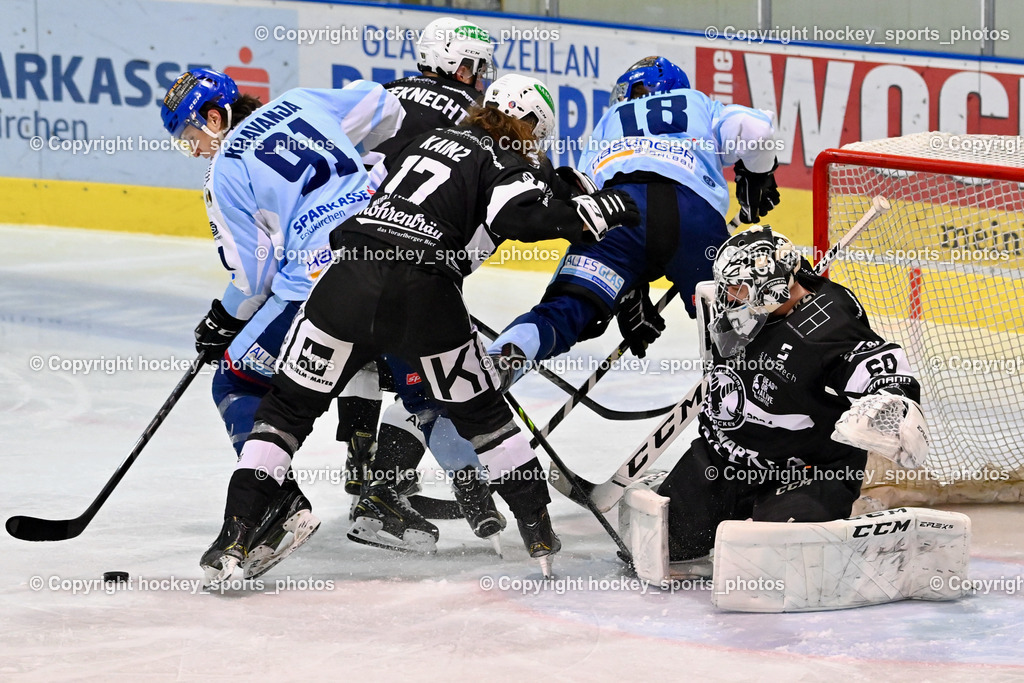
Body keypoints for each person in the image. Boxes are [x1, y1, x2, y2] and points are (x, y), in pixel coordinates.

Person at [199, 73, 641, 583]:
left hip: (345, 280)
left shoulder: (420, 139)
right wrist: (595, 214)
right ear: (528, 125)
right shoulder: (504, 160)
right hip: (424, 296)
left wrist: (559, 188)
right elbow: (520, 215)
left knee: (284, 413)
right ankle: (539, 536)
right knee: (486, 417)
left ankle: (234, 536)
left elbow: (375, 179)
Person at [159, 68, 404, 578]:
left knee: (236, 378)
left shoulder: (225, 166)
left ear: (214, 117)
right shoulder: (304, 101)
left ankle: (279, 505)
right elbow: (385, 106)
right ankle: (490, 491)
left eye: (190, 137)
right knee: (424, 379)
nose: (196, 150)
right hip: (397, 259)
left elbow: (254, 274)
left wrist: (222, 319)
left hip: (320, 286)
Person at [486, 55, 782, 386]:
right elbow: (758, 130)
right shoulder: (698, 103)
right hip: (692, 214)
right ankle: (757, 400)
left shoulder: (610, 117)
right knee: (735, 325)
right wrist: (757, 176)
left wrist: (628, 286)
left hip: (618, 210)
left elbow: (587, 196)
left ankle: (498, 364)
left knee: (563, 311)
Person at [330, 16, 512, 547]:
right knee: (428, 368)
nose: (480, 78)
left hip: (339, 244)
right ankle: (391, 490)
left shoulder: (380, 94)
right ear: (457, 64)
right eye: (476, 67)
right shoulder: (472, 119)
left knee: (360, 355)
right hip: (406, 254)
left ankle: (370, 466)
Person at [654, 225, 928, 563]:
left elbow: (882, 368)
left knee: (774, 562)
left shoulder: (830, 324)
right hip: (723, 460)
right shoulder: (747, 314)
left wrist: (891, 405)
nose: (727, 298)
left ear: (770, 289)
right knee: (661, 543)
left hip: (807, 472)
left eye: (737, 289)